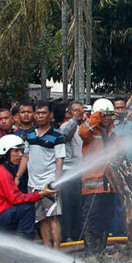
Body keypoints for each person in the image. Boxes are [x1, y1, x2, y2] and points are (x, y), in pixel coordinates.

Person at [0, 134, 55, 235]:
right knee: (27, 208)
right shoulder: (2, 173)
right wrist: (40, 194)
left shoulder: (0, 171)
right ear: (6, 153)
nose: (20, 155)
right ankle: (23, 243)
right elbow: (16, 198)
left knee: (19, 210)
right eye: (16, 151)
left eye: (21, 151)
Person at [22, 101, 66, 248]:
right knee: (40, 218)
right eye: (38, 113)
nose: (40, 116)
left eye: (43, 113)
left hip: (49, 182)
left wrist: (57, 182)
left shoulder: (57, 136)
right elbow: (25, 156)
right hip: (33, 184)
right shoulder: (29, 135)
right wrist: (17, 177)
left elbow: (60, 160)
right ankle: (47, 247)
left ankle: (56, 249)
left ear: (50, 115)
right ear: (34, 115)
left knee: (53, 216)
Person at [79, 98, 118, 255]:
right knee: (91, 219)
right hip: (92, 185)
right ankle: (90, 252)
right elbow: (82, 131)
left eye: (109, 115)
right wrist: (95, 116)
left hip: (109, 186)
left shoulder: (113, 136)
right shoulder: (90, 133)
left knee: (105, 220)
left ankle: (100, 252)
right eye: (105, 115)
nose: (108, 118)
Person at [59, 100, 85, 242]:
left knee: (80, 204)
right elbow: (65, 135)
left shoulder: (86, 127)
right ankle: (67, 235)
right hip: (69, 171)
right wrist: (75, 119)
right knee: (68, 205)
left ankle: (78, 233)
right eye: (75, 110)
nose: (79, 113)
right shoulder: (66, 126)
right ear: (69, 113)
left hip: (83, 171)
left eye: (81, 110)